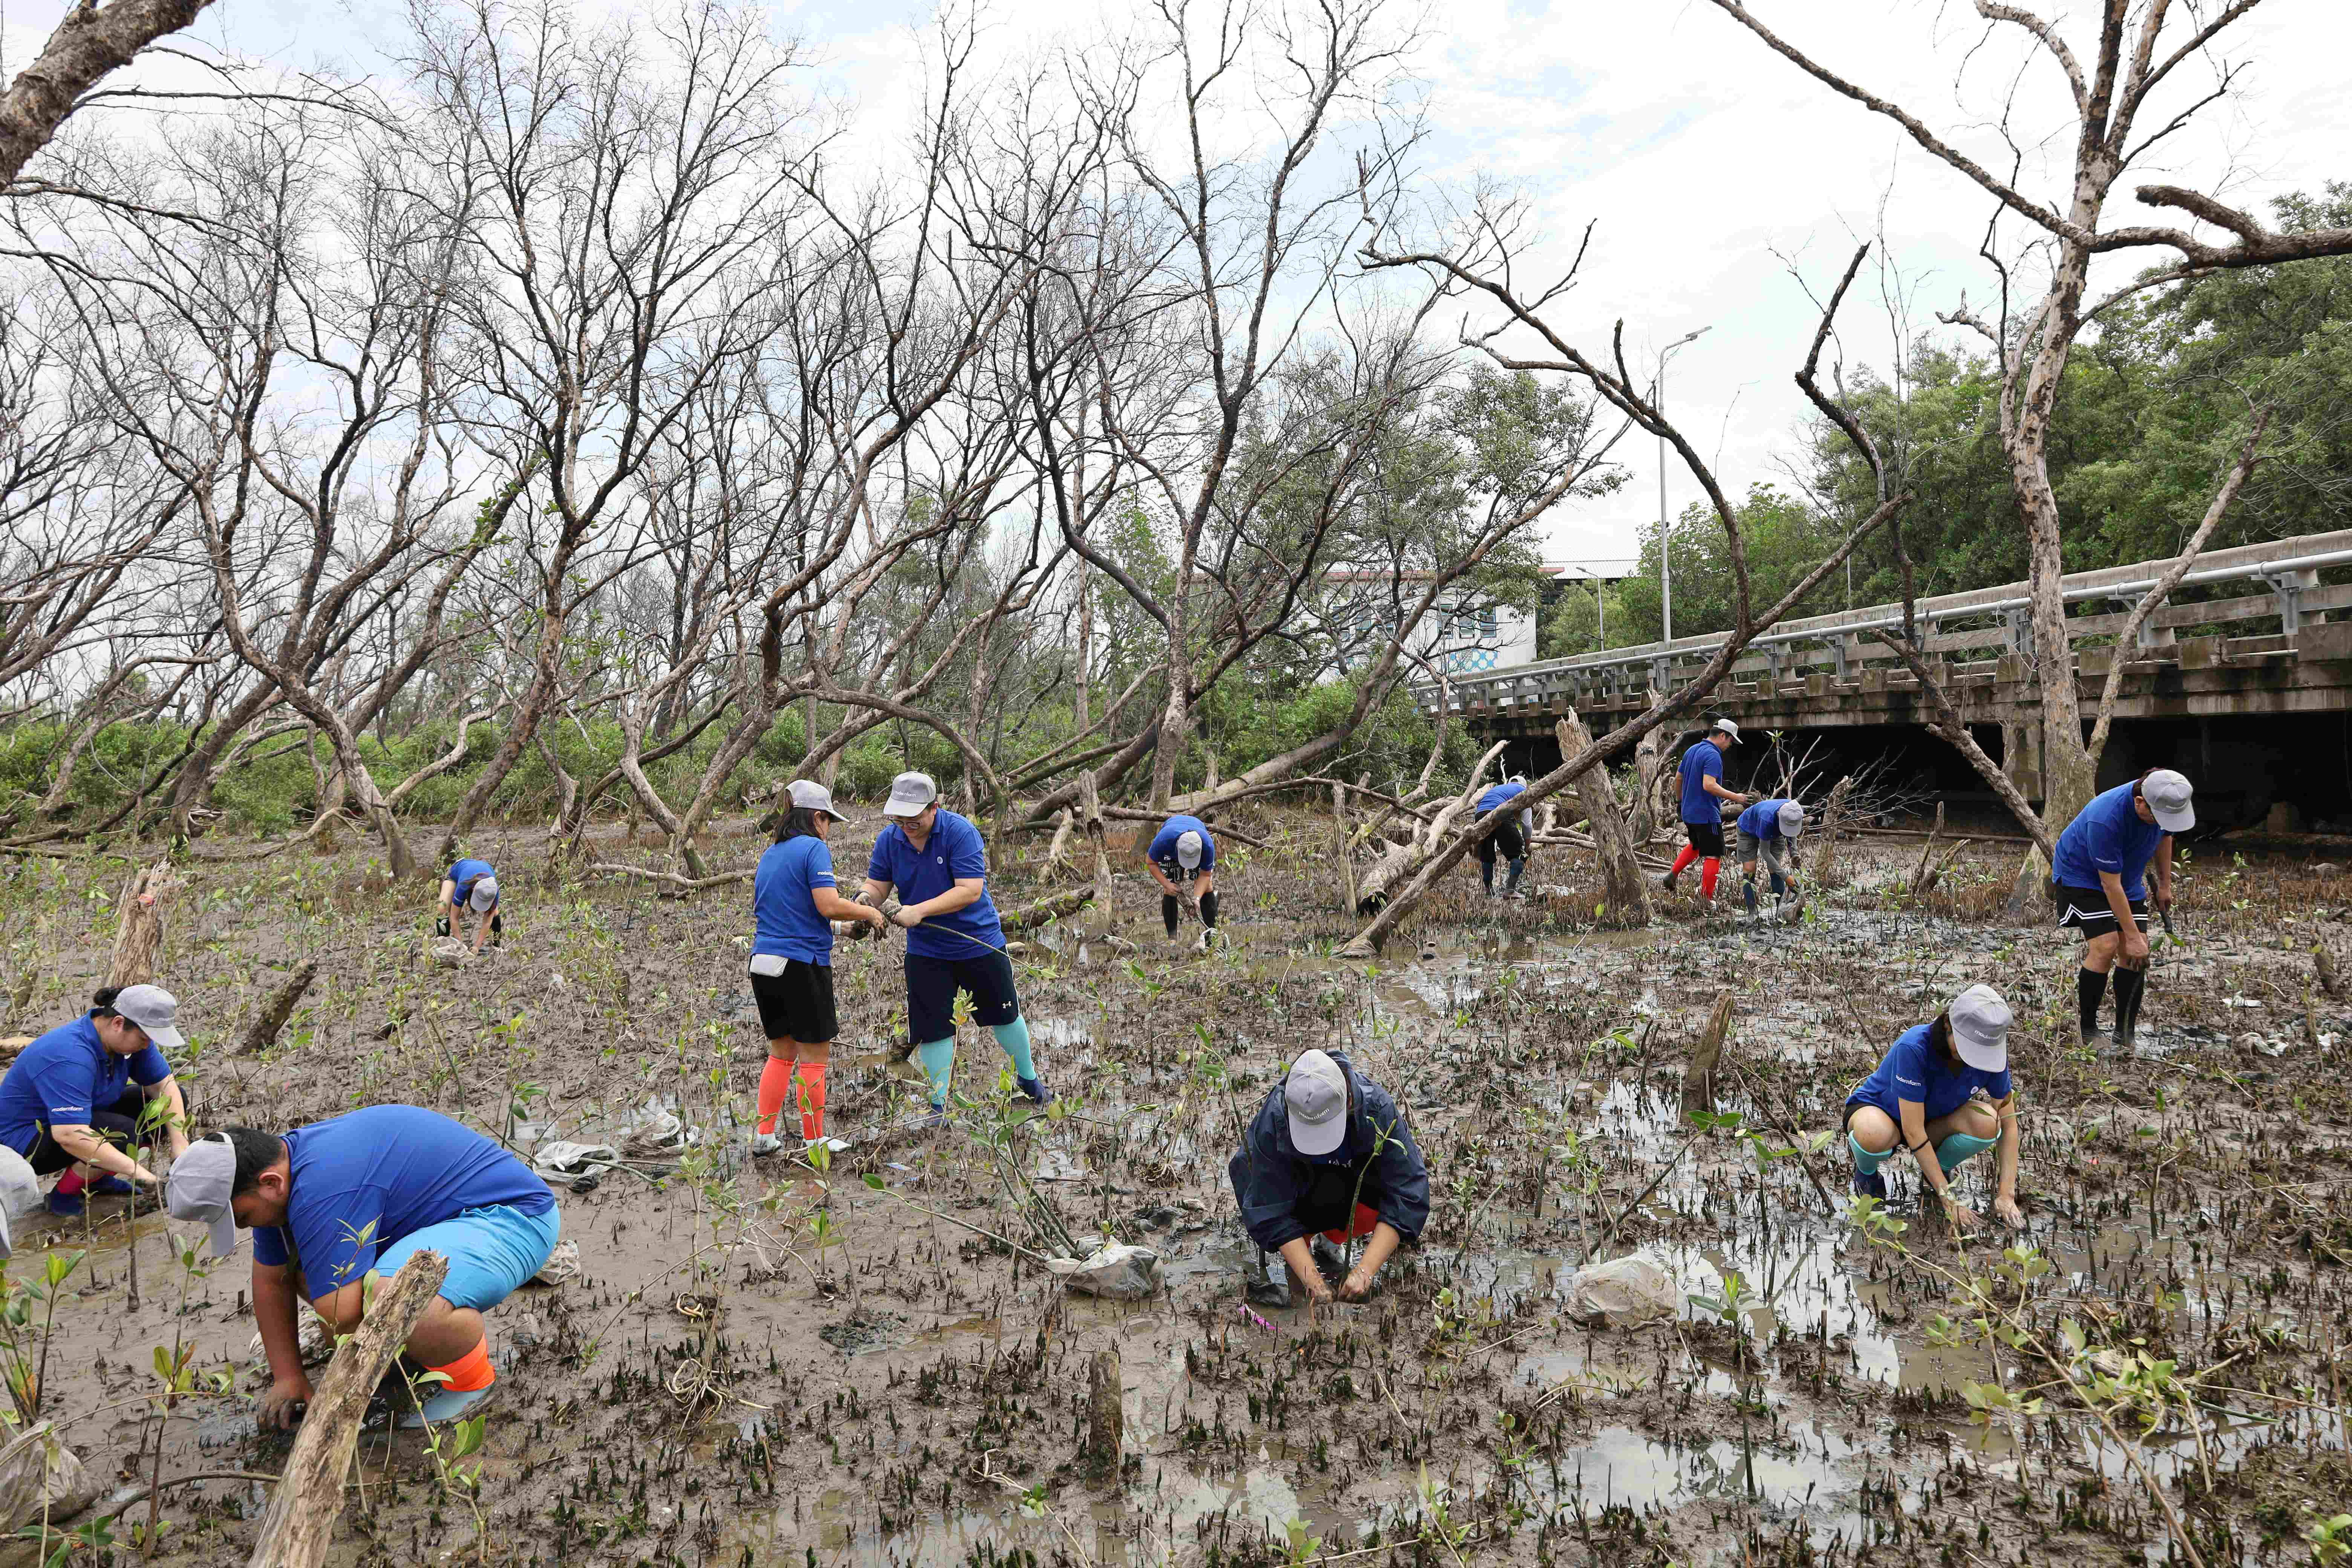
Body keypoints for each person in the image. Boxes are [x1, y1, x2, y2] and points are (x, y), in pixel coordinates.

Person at [166, 1104, 560, 1430]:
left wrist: (347, 1384)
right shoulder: (282, 1177)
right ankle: (409, 1357)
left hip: (513, 1217)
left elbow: (338, 1312)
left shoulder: (324, 1182)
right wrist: (289, 1376)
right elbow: (271, 1279)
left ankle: (471, 1381)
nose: (243, 1226)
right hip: (442, 1223)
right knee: (310, 1270)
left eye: (242, 1216)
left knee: (390, 1295)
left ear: (270, 1183)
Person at [860, 772, 1053, 1122]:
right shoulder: (890, 840)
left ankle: (1029, 1080)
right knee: (933, 1028)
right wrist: (865, 899)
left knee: (1004, 1015)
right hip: (926, 951)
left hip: (978, 943)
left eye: (914, 819)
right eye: (899, 819)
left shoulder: (960, 832)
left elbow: (970, 890)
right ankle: (939, 1105)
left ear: (934, 807)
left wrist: (919, 910)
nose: (907, 826)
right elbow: (878, 885)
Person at [749, 780, 888, 1156]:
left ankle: (764, 1136)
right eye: (828, 820)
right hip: (801, 966)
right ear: (815, 817)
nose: (829, 828)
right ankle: (814, 1140)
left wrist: (843, 930)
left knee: (781, 1052)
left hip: (763, 965)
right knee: (814, 1057)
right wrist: (869, 913)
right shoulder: (814, 848)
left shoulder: (771, 854)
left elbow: (789, 914)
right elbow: (827, 903)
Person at [1228, 1049, 1428, 1308]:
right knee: (1270, 1194)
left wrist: (1365, 1271)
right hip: (1302, 1194)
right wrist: (1313, 1280)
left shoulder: (1376, 1109)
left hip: (1352, 1190)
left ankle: (1332, 1241)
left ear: (1348, 1101)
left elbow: (1408, 1193)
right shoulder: (1275, 1118)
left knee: (1380, 1193)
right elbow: (1267, 1205)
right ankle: (1304, 1250)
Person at [1843, 984, 2024, 1232]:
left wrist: (2006, 1196)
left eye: (1980, 1052)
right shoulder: (1914, 1047)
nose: (1973, 1059)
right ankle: (1867, 1174)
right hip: (1882, 1112)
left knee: (1989, 1122)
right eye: (1967, 1047)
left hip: (1934, 1121)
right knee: (1873, 1133)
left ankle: (1937, 1173)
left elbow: (2010, 1124)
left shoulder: (1992, 1058)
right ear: (1948, 1024)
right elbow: (1913, 1130)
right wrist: (1949, 1200)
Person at [0, 984, 191, 1216]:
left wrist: (180, 1144)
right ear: (118, 1023)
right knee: (123, 1133)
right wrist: (140, 1174)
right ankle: (64, 1194)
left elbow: (164, 1086)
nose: (147, 1045)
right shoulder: (70, 1055)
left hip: (79, 1115)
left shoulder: (132, 1040)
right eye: (144, 1038)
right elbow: (69, 1134)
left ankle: (96, 1179)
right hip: (23, 1140)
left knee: (166, 1103)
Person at [2050, 769, 2193, 1050]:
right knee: (2107, 945)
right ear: (2140, 802)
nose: (2160, 824)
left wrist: (2165, 884)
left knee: (2134, 955)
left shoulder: (2167, 798)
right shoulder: (2105, 817)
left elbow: (2165, 837)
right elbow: (2110, 885)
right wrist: (2133, 936)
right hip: (2083, 876)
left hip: (2126, 876)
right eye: (2156, 818)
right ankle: (2088, 1030)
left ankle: (2125, 1033)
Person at [1664, 720, 1749, 901]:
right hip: (1706, 815)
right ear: (1723, 736)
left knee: (1696, 846)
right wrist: (1737, 797)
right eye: (1731, 741)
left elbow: (1678, 778)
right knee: (1714, 855)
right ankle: (1706, 898)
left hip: (1689, 813)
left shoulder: (1692, 750)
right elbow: (1709, 785)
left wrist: (1680, 802)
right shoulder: (1713, 755)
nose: (1730, 745)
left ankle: (1672, 875)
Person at [1145, 814, 1220, 949]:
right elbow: (1151, 863)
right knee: (1170, 889)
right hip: (1172, 840)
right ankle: (1172, 940)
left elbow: (1205, 875)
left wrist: (1197, 898)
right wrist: (1167, 884)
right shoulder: (1164, 840)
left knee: (1207, 887)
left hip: (1197, 830)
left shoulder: (1207, 845)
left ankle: (1212, 937)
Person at [1734, 797, 1806, 917]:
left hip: (1775, 831)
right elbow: (1765, 852)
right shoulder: (1766, 819)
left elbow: (1792, 832)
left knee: (1775, 869)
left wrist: (1794, 853)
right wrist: (1786, 877)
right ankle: (1752, 914)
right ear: (1779, 816)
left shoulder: (1795, 812)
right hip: (1748, 829)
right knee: (1750, 869)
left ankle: (1780, 914)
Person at [1472, 775, 1534, 899]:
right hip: (1500, 813)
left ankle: (1488, 892)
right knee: (1520, 855)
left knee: (1487, 855)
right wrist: (1527, 847)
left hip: (1480, 815)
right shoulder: (1525, 793)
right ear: (1524, 785)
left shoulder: (1500, 789)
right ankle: (1510, 890)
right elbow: (1527, 825)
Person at [437, 856, 502, 954]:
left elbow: (487, 922)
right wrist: (460, 945)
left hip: (482, 867)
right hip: (457, 872)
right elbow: (454, 917)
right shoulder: (464, 886)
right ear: (473, 890)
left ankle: (497, 947)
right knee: (442, 908)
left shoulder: (494, 890)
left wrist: (477, 946)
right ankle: (444, 945)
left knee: (495, 913)